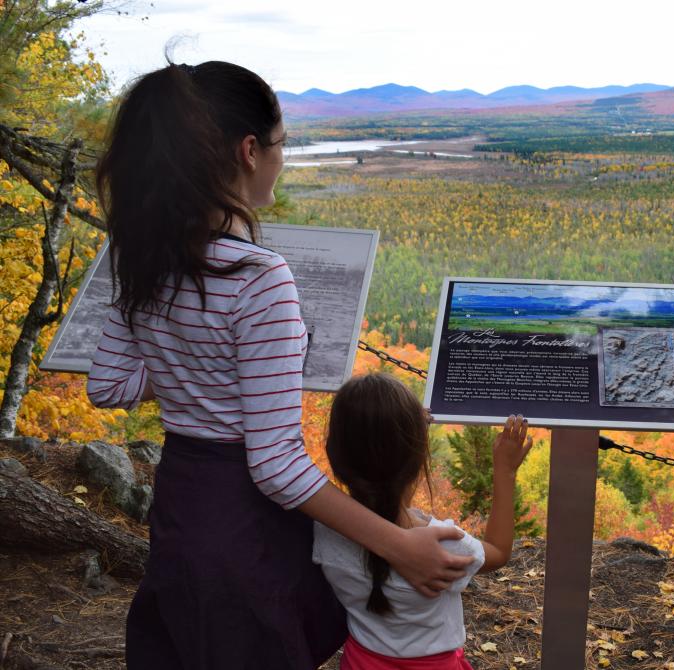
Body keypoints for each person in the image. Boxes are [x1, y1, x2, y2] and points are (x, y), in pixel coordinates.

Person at [85, 61, 471, 670]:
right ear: (248, 150)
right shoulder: (258, 278)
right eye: (282, 144)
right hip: (243, 522)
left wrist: (197, 370)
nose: (282, 158)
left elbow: (108, 384)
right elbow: (275, 466)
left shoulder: (144, 256)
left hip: (181, 499)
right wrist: (400, 546)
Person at [313, 373, 533, 670]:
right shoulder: (440, 542)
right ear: (418, 460)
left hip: (361, 661)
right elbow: (498, 550)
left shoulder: (326, 527)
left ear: (334, 453)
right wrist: (504, 470)